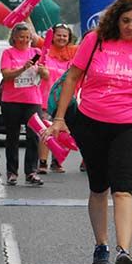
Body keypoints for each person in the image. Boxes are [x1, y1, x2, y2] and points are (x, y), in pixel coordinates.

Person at [43, 0, 132, 264]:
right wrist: (59, 119)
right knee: (98, 187)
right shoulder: (95, 41)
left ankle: (124, 252)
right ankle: (101, 244)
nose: (131, 27)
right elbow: (72, 78)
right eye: (126, 21)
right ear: (116, 19)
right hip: (91, 123)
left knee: (123, 189)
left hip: (128, 125)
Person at [0, 22, 50, 187]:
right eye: (21, 37)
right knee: (12, 137)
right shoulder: (8, 53)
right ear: (14, 37)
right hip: (12, 100)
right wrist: (22, 69)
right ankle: (12, 172)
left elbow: (46, 75)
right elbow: (6, 75)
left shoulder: (36, 52)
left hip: (32, 100)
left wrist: (42, 71)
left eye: (27, 37)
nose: (24, 40)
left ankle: (31, 172)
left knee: (34, 136)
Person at [37, 24, 78, 174]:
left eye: (64, 36)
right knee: (46, 130)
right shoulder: (45, 51)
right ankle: (42, 162)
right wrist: (27, 13)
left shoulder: (74, 52)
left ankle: (57, 160)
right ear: (52, 36)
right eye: (58, 35)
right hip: (46, 99)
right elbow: (32, 34)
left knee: (63, 131)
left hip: (66, 101)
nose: (61, 38)